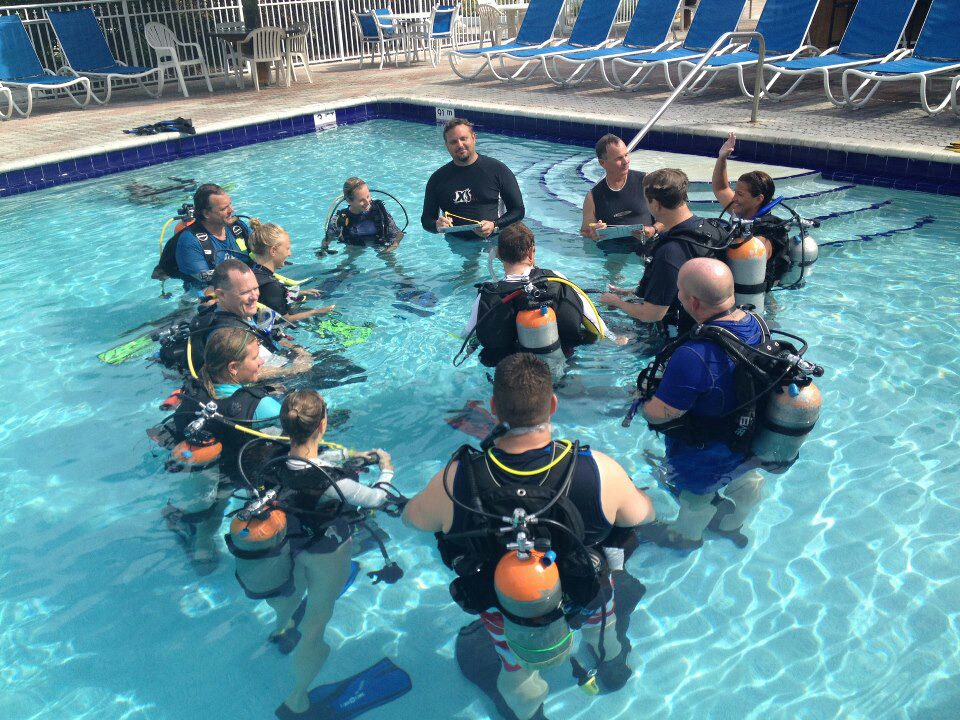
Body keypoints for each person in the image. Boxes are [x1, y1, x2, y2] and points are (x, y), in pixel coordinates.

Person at [403, 353, 655, 720]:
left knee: (516, 672)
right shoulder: (596, 469)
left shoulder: (457, 479)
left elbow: (412, 520)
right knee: (605, 629)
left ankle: (530, 713)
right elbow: (644, 514)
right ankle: (613, 663)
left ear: (493, 407)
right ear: (552, 404)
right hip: (586, 592)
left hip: (506, 608)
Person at [258, 389, 402, 718]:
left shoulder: (273, 461)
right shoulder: (335, 483)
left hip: (286, 547)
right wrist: (387, 469)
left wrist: (353, 458)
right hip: (325, 554)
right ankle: (297, 700)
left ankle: (280, 629)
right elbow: (379, 498)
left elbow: (308, 462)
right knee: (317, 625)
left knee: (290, 595)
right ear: (323, 423)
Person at [637, 258, 765, 549]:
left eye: (679, 291)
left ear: (693, 302)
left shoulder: (693, 355)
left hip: (703, 456)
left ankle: (686, 537)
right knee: (746, 483)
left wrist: (642, 401)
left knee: (696, 500)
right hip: (747, 444)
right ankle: (734, 524)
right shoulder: (756, 324)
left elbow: (658, 416)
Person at [162, 327, 285, 573]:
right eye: (254, 357)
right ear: (233, 368)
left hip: (209, 471)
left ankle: (202, 548)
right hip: (245, 474)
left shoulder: (194, 392)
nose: (261, 360)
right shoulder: (261, 406)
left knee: (215, 505)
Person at [462, 222, 625, 368]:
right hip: (558, 363)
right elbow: (593, 320)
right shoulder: (556, 278)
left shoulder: (487, 295)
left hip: (512, 373)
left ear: (499, 255)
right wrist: (613, 337)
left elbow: (466, 334)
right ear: (532, 254)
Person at [600, 169, 730, 334]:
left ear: (655, 204)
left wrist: (617, 302)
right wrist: (630, 292)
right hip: (714, 324)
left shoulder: (670, 252)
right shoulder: (710, 228)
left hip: (680, 332)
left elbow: (652, 314)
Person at [422, 118, 524, 279]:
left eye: (464, 139)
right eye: (453, 141)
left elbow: (518, 210)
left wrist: (495, 225)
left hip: (495, 239)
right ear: (446, 145)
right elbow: (426, 220)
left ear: (474, 138)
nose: (460, 145)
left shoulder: (497, 170)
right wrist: (436, 224)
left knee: (514, 276)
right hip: (459, 243)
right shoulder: (437, 179)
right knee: (467, 280)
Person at [712, 132, 793, 289]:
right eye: (735, 192)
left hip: (760, 296)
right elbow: (721, 187)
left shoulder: (772, 230)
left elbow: (757, 252)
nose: (733, 197)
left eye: (740, 194)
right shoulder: (740, 209)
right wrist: (722, 157)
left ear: (759, 199)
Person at [580, 134, 661, 252]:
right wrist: (593, 233)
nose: (626, 161)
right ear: (602, 163)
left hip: (648, 246)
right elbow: (585, 231)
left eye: (626, 155)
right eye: (619, 158)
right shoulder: (592, 197)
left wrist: (654, 229)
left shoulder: (646, 181)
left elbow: (670, 216)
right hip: (614, 252)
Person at [248, 218, 335, 322]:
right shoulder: (270, 285)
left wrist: (302, 292)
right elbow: (285, 320)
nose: (290, 254)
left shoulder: (254, 273)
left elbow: (272, 298)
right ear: (273, 251)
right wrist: (316, 312)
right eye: (287, 249)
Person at [174, 184, 251, 294]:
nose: (232, 210)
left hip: (245, 287)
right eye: (224, 208)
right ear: (206, 213)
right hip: (205, 297)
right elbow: (205, 289)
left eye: (230, 204)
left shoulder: (237, 228)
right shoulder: (190, 242)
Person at [320, 177, 404, 255]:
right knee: (348, 261)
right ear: (349, 200)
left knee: (391, 261)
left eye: (368, 196)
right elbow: (329, 237)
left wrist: (393, 246)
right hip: (354, 246)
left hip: (379, 243)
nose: (367, 202)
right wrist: (323, 249)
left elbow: (397, 233)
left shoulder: (379, 211)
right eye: (361, 200)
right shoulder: (339, 220)